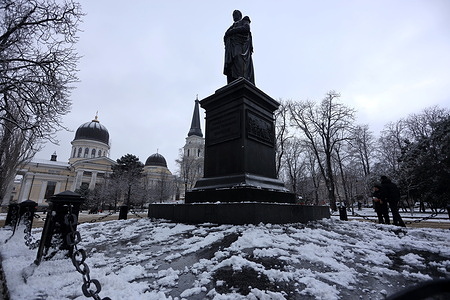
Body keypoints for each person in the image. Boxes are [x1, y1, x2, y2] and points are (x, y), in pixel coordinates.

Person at [223, 10, 255, 85]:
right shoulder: (231, 27)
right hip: (231, 49)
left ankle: (241, 77)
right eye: (233, 14)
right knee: (232, 63)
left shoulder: (244, 20)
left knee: (238, 57)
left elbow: (246, 28)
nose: (234, 15)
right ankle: (233, 80)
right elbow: (225, 36)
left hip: (241, 45)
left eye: (236, 14)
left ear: (240, 15)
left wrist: (233, 31)